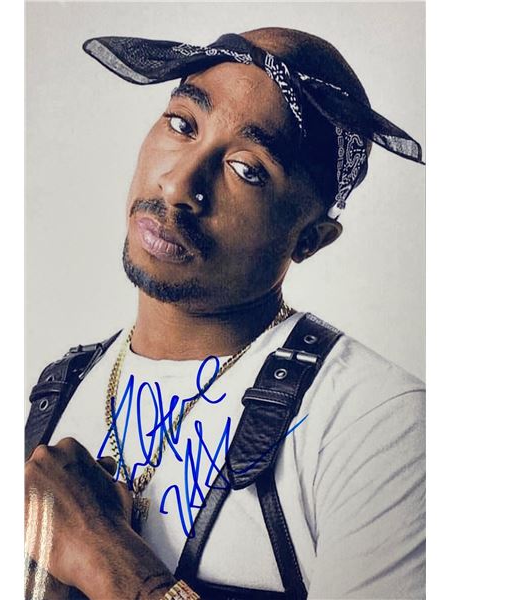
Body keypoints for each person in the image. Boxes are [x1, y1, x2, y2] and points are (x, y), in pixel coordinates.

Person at [25, 27, 425, 600]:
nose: (179, 184)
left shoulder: (375, 424)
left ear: (310, 239)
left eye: (247, 168)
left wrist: (102, 554)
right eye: (182, 124)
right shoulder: (58, 391)